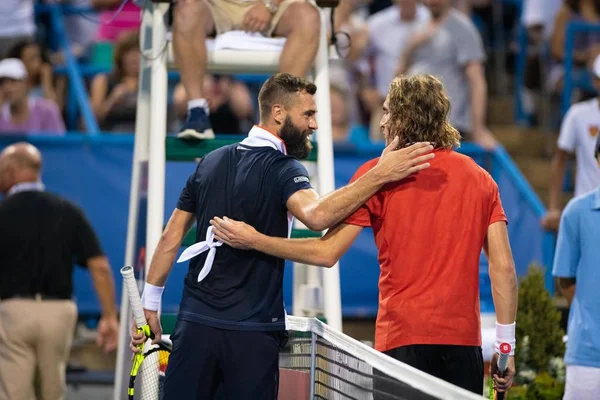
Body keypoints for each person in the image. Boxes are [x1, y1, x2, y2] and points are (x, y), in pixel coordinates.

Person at [130, 73, 434, 399]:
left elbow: (170, 237)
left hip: (194, 329)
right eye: (308, 115)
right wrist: (380, 174)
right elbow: (317, 216)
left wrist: (150, 304)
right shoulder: (284, 169)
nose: (314, 125)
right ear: (278, 113)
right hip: (252, 337)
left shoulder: (209, 163)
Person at [210, 74, 518, 396]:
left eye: (387, 112)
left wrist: (254, 240)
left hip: (400, 343)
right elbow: (504, 271)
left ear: (403, 117)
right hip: (462, 345)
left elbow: (325, 253)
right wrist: (505, 346)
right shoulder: (481, 179)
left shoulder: (377, 175)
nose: (383, 122)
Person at [0, 142, 119, 400]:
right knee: (52, 391)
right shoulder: (68, 210)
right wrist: (109, 316)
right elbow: (98, 265)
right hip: (58, 315)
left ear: (10, 171)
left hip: (13, 313)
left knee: (14, 392)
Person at [172, 0, 322, 139]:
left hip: (270, 5)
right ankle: (196, 112)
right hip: (213, 5)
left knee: (308, 17)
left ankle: (280, 122)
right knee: (187, 9)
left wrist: (269, 5)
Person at [396, 0, 497, 149]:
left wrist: (478, 128)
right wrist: (410, 48)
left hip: (447, 125)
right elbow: (399, 76)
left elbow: (477, 82)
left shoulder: (463, 29)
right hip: (413, 122)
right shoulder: (416, 26)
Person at [552, 135, 600, 400]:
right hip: (587, 356)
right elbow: (564, 278)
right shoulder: (576, 212)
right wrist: (588, 319)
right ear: (597, 160)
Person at [541, 53, 600, 231]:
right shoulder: (577, 115)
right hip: (586, 210)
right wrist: (553, 208)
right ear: (595, 81)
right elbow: (560, 160)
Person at [0, 58, 65, 135]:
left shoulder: (48, 110)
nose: (7, 88)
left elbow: (58, 144)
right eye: (1, 83)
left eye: (13, 81)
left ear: (26, 82)